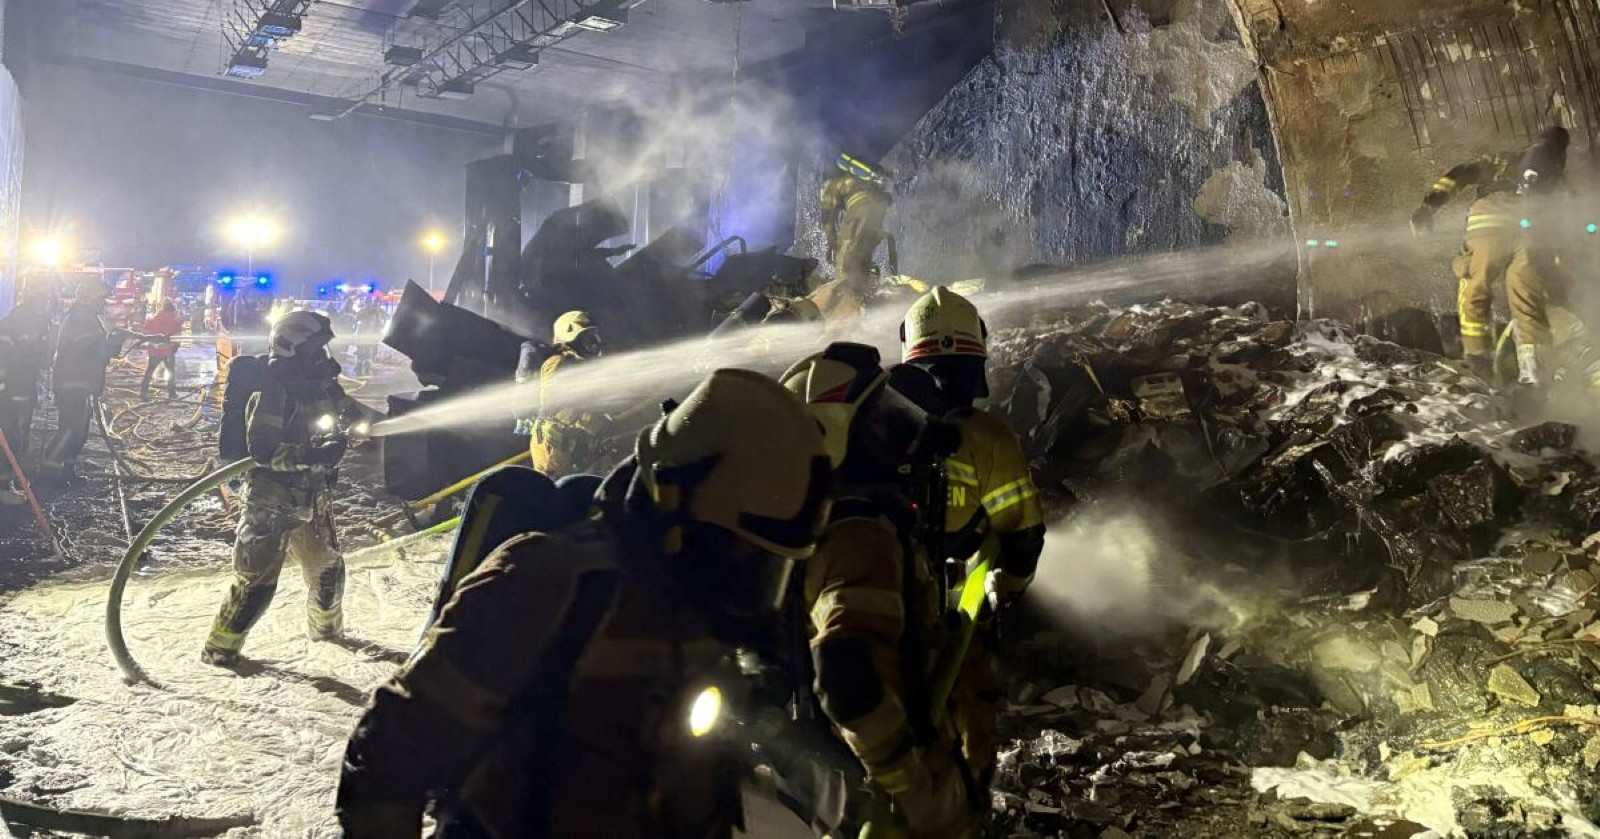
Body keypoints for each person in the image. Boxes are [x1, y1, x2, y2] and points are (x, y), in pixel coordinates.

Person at [335, 369, 834, 838]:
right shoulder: (552, 582)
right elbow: (394, 748)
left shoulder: (706, 617)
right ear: (675, 507)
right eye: (739, 554)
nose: (746, 581)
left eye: (767, 567)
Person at [780, 344, 980, 839]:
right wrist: (905, 782)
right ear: (835, 438)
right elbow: (845, 671)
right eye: (885, 423)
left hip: (860, 771)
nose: (906, 434)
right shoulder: (859, 537)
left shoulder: (833, 523)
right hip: (883, 794)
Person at [899, 286, 1045, 787]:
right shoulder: (988, 437)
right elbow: (1024, 534)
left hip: (876, 604)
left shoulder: (875, 427)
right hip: (954, 620)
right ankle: (964, 804)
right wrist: (1008, 588)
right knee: (968, 731)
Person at [201, 310, 363, 666]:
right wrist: (311, 454)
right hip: (271, 501)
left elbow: (351, 412)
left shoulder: (321, 384)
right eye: (314, 349)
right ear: (291, 347)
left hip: (312, 496)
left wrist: (381, 424)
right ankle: (220, 651)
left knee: (328, 570)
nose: (321, 356)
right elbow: (263, 450)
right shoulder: (273, 389)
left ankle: (327, 634)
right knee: (255, 584)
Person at [1410, 126, 1570, 383]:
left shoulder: (1505, 161)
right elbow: (1569, 218)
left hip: (1490, 223)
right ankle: (1533, 372)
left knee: (1475, 285)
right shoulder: (1558, 181)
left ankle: (1479, 363)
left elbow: (1460, 174)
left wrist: (1428, 207)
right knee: (1528, 298)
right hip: (1532, 233)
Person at [40, 285, 127, 485]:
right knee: (70, 430)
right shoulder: (81, 320)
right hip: (73, 385)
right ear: (91, 299)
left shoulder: (86, 318)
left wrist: (112, 343)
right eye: (101, 299)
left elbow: (96, 351)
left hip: (82, 384)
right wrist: (112, 343)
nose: (104, 304)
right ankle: (48, 473)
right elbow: (90, 351)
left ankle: (67, 470)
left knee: (79, 431)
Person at [814, 153, 894, 321]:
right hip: (878, 210)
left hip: (859, 210)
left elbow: (827, 217)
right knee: (862, 259)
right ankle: (865, 301)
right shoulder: (858, 179)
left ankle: (842, 313)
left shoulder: (831, 184)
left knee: (845, 262)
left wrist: (831, 242)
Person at [529, 310, 608, 477]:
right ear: (571, 337)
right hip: (550, 443)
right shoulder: (557, 362)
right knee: (555, 488)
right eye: (586, 338)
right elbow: (550, 405)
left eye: (593, 338)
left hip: (566, 441)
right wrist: (588, 419)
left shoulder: (575, 363)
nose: (593, 344)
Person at [0, 292, 50, 503]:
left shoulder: (35, 322)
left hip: (22, 389)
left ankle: (8, 482)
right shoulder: (13, 324)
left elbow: (37, 358)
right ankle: (2, 487)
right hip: (9, 392)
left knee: (19, 438)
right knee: (10, 438)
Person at [140, 299, 184, 401]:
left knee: (150, 372)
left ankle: (143, 393)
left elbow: (145, 333)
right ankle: (172, 394)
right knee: (171, 372)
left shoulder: (154, 318)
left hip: (155, 350)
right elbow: (177, 336)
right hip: (167, 350)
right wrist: (175, 346)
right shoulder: (174, 320)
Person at [352, 302, 387, 378]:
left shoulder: (365, 311)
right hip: (367, 335)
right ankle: (365, 368)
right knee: (366, 352)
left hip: (363, 334)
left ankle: (361, 368)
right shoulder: (375, 312)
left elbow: (356, 320)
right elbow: (380, 325)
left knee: (363, 352)